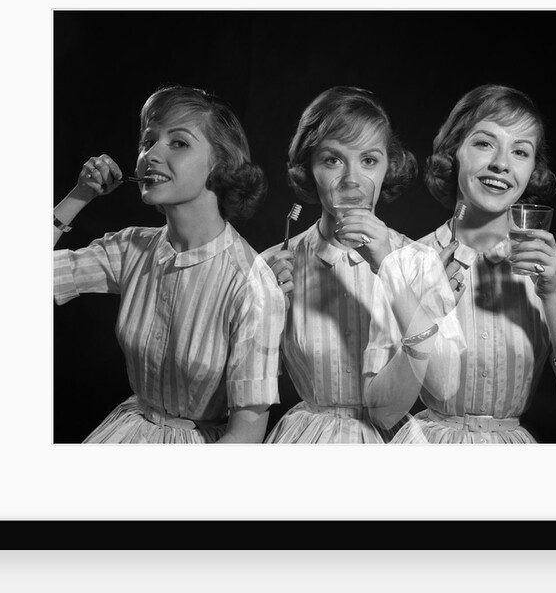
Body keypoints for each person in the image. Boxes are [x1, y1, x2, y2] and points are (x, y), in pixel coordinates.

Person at [366, 83, 556, 443]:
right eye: (484, 143)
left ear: (531, 172)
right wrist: (426, 316)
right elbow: (384, 413)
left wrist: (552, 297)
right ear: (454, 153)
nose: (501, 163)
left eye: (521, 152)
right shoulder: (405, 266)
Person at [52, 85, 285, 444]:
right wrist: (80, 195)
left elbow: (246, 435)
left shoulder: (251, 284)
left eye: (178, 142)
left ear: (220, 165)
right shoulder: (131, 248)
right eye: (148, 141)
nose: (150, 155)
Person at [262, 86, 458, 443]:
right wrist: (264, 308)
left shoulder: (420, 261)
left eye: (369, 160)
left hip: (391, 439)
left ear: (388, 167)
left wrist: (390, 267)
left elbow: (443, 386)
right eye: (332, 160)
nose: (352, 179)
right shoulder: (276, 265)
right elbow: (246, 385)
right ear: (309, 167)